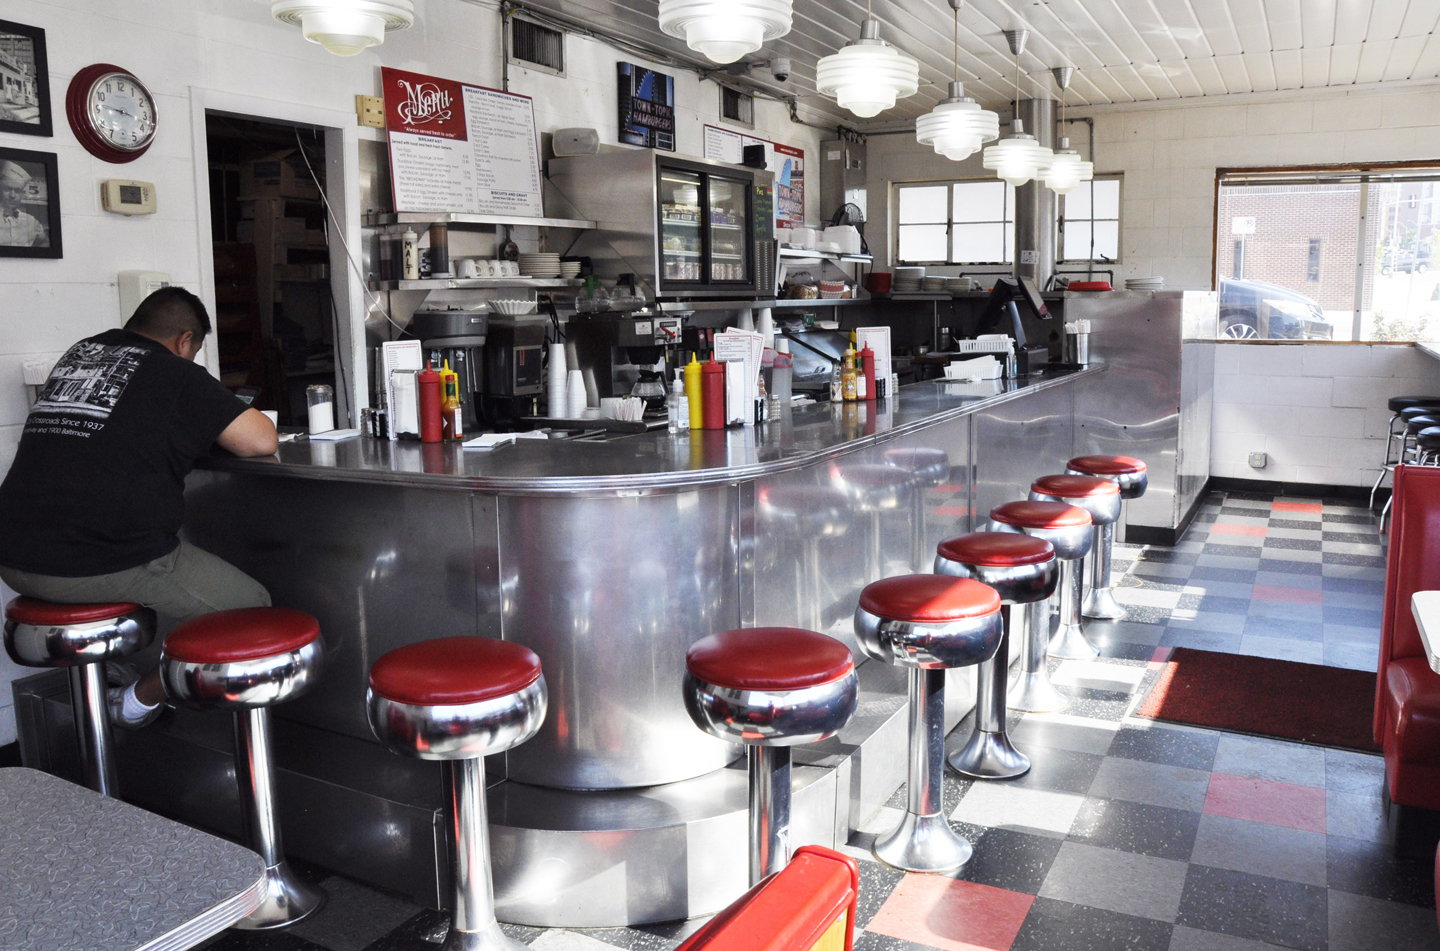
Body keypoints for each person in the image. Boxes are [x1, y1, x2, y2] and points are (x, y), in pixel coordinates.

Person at [0, 287, 278, 727]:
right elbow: (260, 440)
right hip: (87, 561)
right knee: (253, 609)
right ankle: (134, 703)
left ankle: (108, 677)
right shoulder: (174, 372)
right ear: (185, 341)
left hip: (12, 556)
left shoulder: (81, 354)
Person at [0, 160, 46, 248]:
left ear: (22, 194)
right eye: (7, 189)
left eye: (17, 191)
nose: (12, 195)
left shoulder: (31, 221)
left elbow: (45, 242)